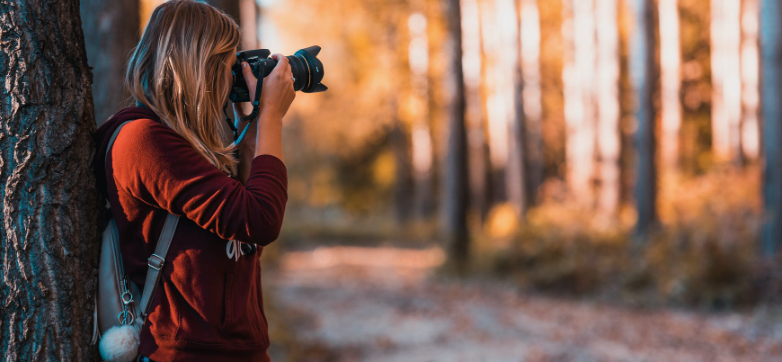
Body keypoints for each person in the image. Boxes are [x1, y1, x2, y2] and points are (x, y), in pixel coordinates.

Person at [93, 1, 295, 360]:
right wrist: (271, 119)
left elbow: (243, 233)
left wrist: (246, 122)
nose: (232, 76)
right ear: (201, 65)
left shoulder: (191, 145)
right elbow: (259, 219)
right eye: (227, 65)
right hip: (182, 352)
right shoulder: (143, 141)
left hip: (234, 349)